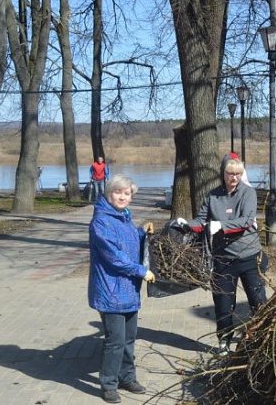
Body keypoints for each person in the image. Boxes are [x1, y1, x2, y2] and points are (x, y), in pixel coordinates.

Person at [176, 153, 268, 354]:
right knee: (223, 303)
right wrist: (187, 225)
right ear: (223, 174)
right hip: (223, 259)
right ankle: (224, 340)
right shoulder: (213, 196)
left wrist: (221, 225)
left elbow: (246, 221)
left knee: (258, 301)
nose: (234, 177)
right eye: (230, 173)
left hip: (249, 256)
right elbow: (201, 220)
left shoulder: (248, 193)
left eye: (238, 174)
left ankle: (263, 338)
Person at [88, 173, 156, 403]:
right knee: (115, 341)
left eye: (127, 194)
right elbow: (114, 257)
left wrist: (141, 232)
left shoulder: (124, 217)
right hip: (110, 290)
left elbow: (128, 244)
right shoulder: (101, 221)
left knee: (129, 338)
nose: (122, 197)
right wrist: (141, 271)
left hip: (128, 289)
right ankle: (108, 384)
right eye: (118, 192)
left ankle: (127, 377)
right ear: (109, 193)